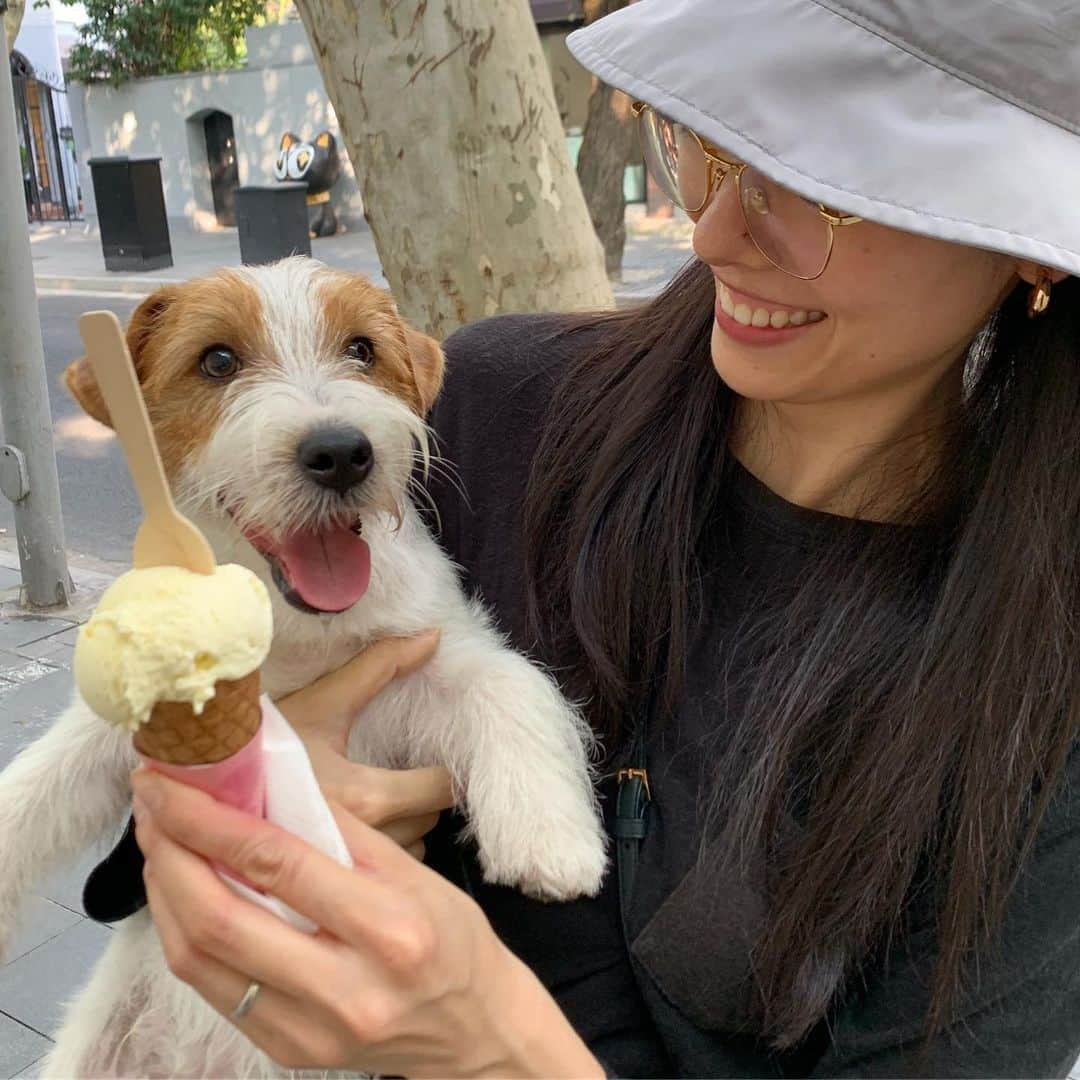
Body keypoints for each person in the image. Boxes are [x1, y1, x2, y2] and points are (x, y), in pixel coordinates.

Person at [118, 0, 1080, 1075]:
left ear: (1028, 250)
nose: (712, 232)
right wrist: (254, 781)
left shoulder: (1037, 671)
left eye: (823, 184)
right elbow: (177, 748)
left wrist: (498, 1042)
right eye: (712, 143)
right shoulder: (494, 406)